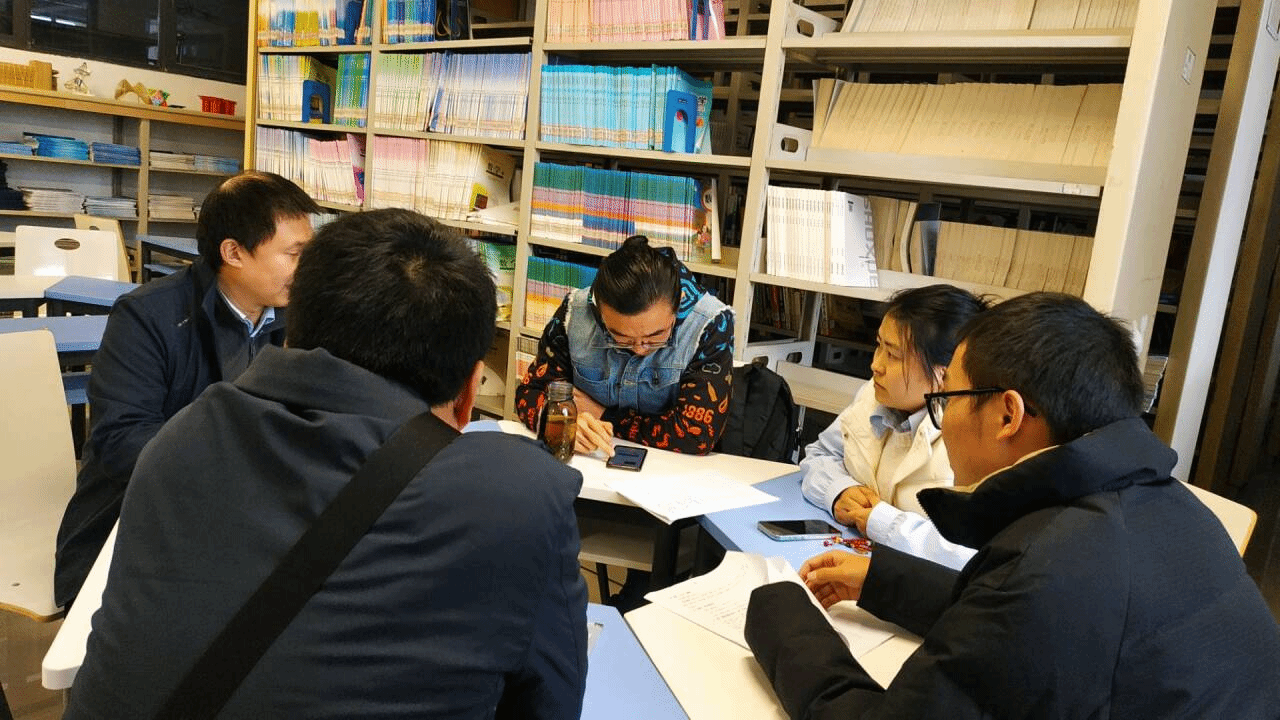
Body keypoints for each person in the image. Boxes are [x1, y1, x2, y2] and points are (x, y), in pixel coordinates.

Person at [64, 209, 588, 718]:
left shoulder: (184, 435)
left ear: (292, 334)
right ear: (471, 390)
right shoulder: (521, 497)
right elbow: (550, 702)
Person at [745, 292, 1280, 719]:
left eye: (945, 401)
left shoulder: (1047, 568)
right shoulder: (1168, 507)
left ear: (1007, 416)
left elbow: (1019, 612)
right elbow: (1028, 626)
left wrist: (780, 611)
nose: (941, 421)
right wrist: (884, 581)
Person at [53, 171, 319, 609]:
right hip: (137, 525)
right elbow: (122, 443)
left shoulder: (294, 317)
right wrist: (241, 469)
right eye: (294, 254)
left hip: (241, 525)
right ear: (233, 252)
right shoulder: (147, 317)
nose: (306, 268)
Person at [801, 284, 986, 570]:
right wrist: (838, 491)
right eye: (879, 346)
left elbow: (968, 551)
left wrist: (885, 523)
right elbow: (820, 454)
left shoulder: (971, 438)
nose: (876, 365)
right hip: (857, 559)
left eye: (893, 355)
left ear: (944, 374)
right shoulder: (874, 395)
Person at [515, 234, 734, 456]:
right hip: (585, 462)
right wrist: (561, 422)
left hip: (673, 470)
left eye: (656, 335)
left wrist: (602, 414)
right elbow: (529, 393)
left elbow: (696, 435)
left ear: (678, 307)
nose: (639, 349)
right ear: (600, 310)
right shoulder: (575, 312)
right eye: (620, 337)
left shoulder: (711, 324)